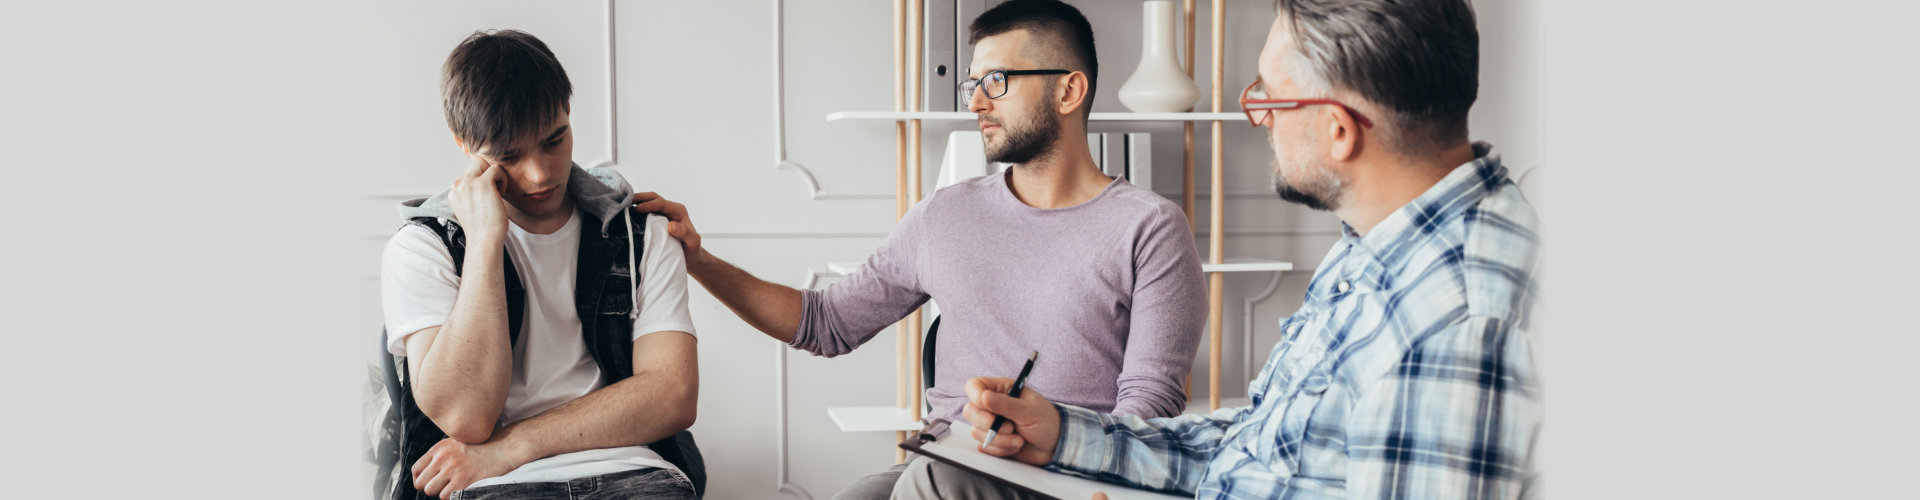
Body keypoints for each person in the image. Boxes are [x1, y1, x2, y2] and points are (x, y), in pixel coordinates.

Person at [945, 0, 1542, 498]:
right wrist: (1065, 435)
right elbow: (1258, 446)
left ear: (1339, 130)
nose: (1259, 119)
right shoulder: (1379, 244)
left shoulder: (1457, 322)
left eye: (1269, 99)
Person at [631, 1, 1206, 498]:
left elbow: (1146, 411)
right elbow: (826, 323)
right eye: (973, 83)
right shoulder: (946, 215)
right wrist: (699, 260)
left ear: (1068, 90)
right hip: (945, 461)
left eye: (997, 81)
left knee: (929, 486)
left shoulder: (1150, 228)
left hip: (1066, 479)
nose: (977, 102)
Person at [380, 29, 700, 500]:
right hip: (483, 481)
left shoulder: (642, 233)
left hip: (630, 470)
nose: (539, 173)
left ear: (568, 112)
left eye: (554, 140)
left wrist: (514, 446)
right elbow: (467, 417)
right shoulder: (422, 248)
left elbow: (672, 395)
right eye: (509, 155)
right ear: (464, 144)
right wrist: (487, 243)